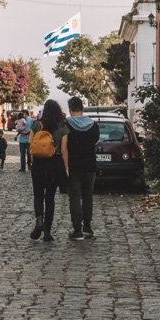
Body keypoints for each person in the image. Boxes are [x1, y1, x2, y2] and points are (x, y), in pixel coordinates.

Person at [28, 99, 66, 242]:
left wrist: (31, 161)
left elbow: (30, 145)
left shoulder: (37, 124)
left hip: (38, 164)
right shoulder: (61, 126)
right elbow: (63, 149)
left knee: (38, 196)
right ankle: (48, 231)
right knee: (50, 198)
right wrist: (66, 167)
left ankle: (39, 221)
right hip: (54, 163)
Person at [62, 96, 98, 240]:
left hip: (73, 166)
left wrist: (65, 167)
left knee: (75, 198)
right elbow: (94, 142)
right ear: (82, 109)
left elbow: (64, 148)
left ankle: (77, 230)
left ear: (70, 110)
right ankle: (87, 228)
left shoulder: (66, 125)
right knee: (88, 196)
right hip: (90, 166)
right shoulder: (94, 125)